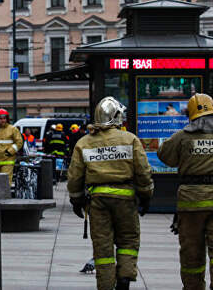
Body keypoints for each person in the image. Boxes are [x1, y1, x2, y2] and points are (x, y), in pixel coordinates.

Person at [68, 96, 154, 290]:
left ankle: (106, 286)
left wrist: (76, 200)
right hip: (125, 199)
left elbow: (75, 176)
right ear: (116, 117)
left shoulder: (84, 143)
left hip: (98, 202)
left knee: (103, 247)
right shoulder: (130, 139)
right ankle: (124, 279)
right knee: (128, 240)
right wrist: (146, 195)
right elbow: (143, 171)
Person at [157, 93, 213, 290]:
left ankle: (193, 287)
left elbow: (164, 155)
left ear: (191, 114)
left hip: (191, 203)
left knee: (192, 251)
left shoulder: (183, 136)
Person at [0, 108, 24, 185]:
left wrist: (9, 152)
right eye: (0, 118)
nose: (3, 120)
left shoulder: (12, 129)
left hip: (7, 160)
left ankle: (4, 196)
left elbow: (19, 142)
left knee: (5, 180)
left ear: (7, 119)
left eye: (4, 118)